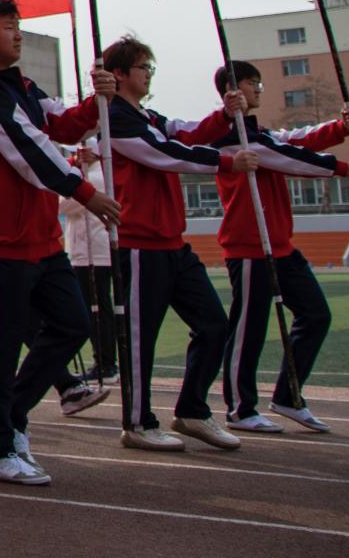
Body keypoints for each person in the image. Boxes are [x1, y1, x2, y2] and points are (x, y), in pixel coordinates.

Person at [0, 0, 120, 485]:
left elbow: (62, 124)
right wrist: (85, 192)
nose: (19, 33)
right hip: (2, 240)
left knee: (73, 324)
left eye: (20, 25)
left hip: (44, 238)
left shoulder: (27, 88)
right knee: (1, 351)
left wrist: (98, 100)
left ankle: (14, 415)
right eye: (9, 26)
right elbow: (31, 149)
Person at [191, 61, 349, 435]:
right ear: (232, 90)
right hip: (249, 246)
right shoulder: (232, 137)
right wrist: (342, 168)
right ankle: (240, 408)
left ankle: (288, 396)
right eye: (251, 83)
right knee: (249, 328)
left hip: (281, 246)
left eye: (259, 83)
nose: (258, 89)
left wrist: (341, 126)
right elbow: (288, 157)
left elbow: (297, 140)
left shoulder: (261, 134)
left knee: (316, 315)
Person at [102, 35, 255, 452]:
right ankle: (137, 422)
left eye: (150, 68)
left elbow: (187, 133)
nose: (149, 75)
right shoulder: (114, 118)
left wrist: (223, 115)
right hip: (139, 245)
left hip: (173, 243)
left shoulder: (150, 116)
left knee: (214, 324)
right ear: (120, 74)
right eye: (143, 68)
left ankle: (192, 410)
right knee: (140, 339)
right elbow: (165, 153)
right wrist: (226, 161)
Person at [56, 144, 117, 410]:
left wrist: (81, 186)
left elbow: (70, 203)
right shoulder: (75, 171)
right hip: (80, 249)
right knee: (92, 307)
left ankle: (106, 362)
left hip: (97, 249)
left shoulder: (101, 173)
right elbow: (65, 204)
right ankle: (102, 360)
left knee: (99, 307)